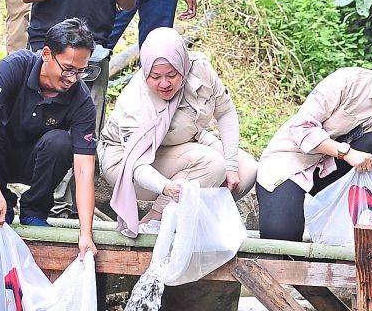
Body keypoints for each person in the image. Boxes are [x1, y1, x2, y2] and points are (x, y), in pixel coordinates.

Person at [255, 39, 372, 242]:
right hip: (291, 165)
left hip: (337, 181)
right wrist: (347, 153)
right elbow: (300, 127)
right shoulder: (350, 81)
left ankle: (351, 224)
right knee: (281, 240)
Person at [101, 26, 257, 237]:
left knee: (246, 170)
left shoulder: (199, 68)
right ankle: (155, 220)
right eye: (155, 77)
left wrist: (231, 166)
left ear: (183, 65)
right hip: (128, 163)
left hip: (184, 139)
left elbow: (226, 111)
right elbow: (136, 165)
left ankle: (194, 217)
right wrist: (165, 188)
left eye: (172, 75)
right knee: (211, 164)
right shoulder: (135, 102)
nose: (164, 83)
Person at [0, 18, 99, 256]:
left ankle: (35, 211)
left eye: (81, 71)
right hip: (0, 155)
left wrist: (85, 234)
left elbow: (84, 169)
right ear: (47, 54)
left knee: (61, 141)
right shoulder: (16, 66)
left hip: (38, 162)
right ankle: (0, 201)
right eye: (68, 69)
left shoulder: (81, 99)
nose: (73, 78)